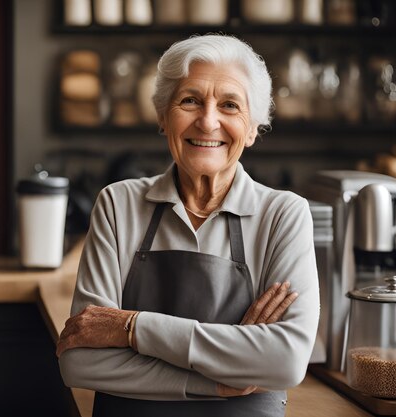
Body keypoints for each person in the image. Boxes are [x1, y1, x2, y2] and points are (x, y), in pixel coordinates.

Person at [56, 34, 320, 417]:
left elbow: (285, 362)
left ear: (251, 130)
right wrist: (217, 379)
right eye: (190, 100)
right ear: (163, 118)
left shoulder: (283, 215)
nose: (208, 121)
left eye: (229, 105)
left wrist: (131, 328)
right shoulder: (118, 204)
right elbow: (80, 363)